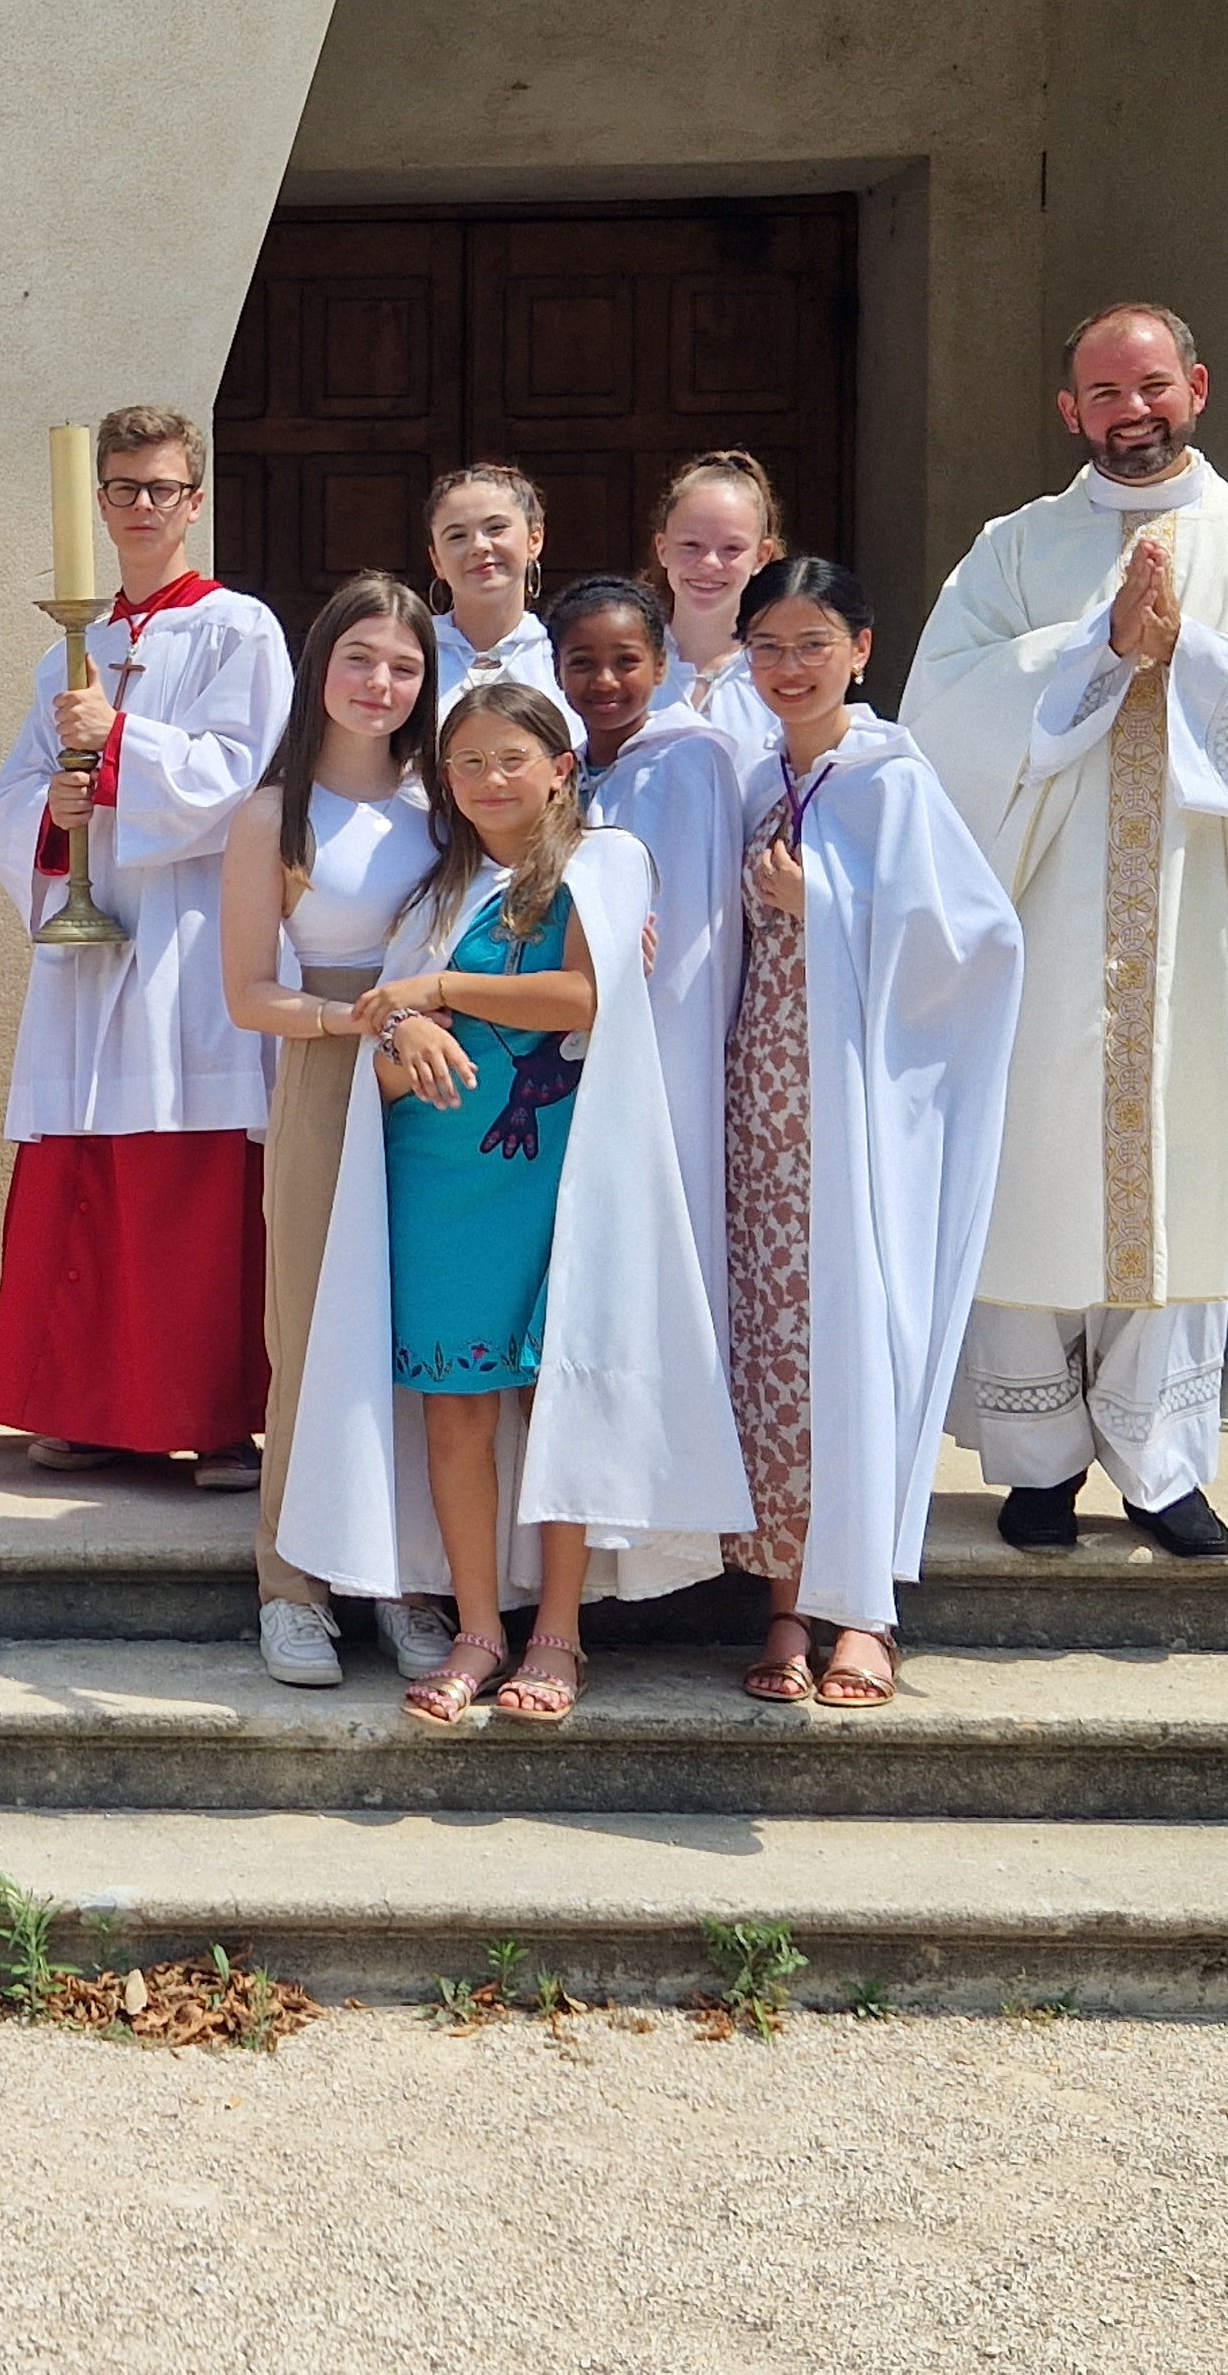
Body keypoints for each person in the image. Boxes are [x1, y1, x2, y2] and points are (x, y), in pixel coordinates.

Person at [903, 302, 1228, 1559]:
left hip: (1193, 918)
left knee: (1177, 1174)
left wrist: (1197, 655)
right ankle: (1038, 1465)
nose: (1132, 412)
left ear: (1196, 387)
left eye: (1152, 386)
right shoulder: (1014, 548)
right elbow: (941, 708)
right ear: (1070, 410)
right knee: (1035, 1176)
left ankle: (1161, 1468)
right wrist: (1095, 650)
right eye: (1105, 393)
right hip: (1044, 921)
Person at [319, 681, 738, 1730]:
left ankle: (556, 1629)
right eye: (466, 763)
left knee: (555, 1395)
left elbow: (583, 997)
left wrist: (439, 992)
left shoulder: (606, 861)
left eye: (511, 758)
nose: (489, 780)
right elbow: (382, 1021)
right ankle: (476, 1628)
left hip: (559, 1172)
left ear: (559, 767)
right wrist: (400, 1026)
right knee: (455, 1405)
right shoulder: (435, 895)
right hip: (435, 1168)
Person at [722, 557, 1025, 1708]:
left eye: (812, 644)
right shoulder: (758, 780)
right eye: (767, 646)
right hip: (761, 1108)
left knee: (857, 1339)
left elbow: (978, 943)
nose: (788, 667)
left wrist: (828, 906)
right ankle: (784, 1600)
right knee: (774, 1350)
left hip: (853, 1115)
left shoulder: (891, 782)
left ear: (860, 649)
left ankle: (866, 1611)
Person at [0, 402, 292, 1483]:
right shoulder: (72, 650)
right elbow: (15, 789)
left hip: (189, 933)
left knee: (186, 1181)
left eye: (161, 488)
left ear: (193, 502)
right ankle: (82, 1407)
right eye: (122, 489)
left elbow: (239, 775)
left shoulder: (240, 630)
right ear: (99, 504)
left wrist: (116, 744)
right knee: (81, 1171)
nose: (141, 506)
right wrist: (51, 813)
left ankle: (211, 1414)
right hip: (92, 938)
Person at [215, 573, 445, 1689]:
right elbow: (247, 992)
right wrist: (348, 1020)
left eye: (403, 665)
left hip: (444, 1073)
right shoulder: (274, 813)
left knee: (422, 1333)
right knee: (312, 1332)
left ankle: (406, 1581)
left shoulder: (447, 798)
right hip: (330, 1065)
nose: (379, 683)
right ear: (319, 668)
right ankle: (294, 1585)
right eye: (359, 658)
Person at [553, 574, 752, 1350]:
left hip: (664, 1025)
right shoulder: (564, 770)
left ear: (661, 665)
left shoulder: (691, 762)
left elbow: (698, 924)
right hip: (569, 1024)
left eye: (626, 660)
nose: (604, 681)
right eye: (582, 662)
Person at [646, 451, 788, 763]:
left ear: (761, 556)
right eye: (691, 545)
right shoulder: (628, 666)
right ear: (663, 548)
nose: (709, 563)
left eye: (731, 548)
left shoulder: (781, 672)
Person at [423, 463, 565, 721]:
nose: (479, 546)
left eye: (496, 528)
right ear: (436, 560)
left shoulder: (565, 653)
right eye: (457, 536)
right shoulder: (410, 654)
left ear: (534, 539)